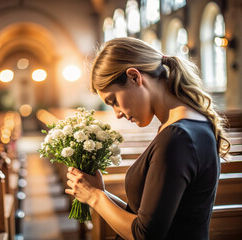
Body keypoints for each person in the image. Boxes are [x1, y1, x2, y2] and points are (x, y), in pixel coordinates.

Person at [64, 37, 231, 240]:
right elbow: (150, 219)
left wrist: (95, 197)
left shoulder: (176, 138)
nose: (117, 113)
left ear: (135, 77)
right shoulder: (189, 125)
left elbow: (145, 235)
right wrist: (100, 193)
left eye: (114, 100)